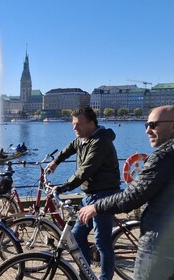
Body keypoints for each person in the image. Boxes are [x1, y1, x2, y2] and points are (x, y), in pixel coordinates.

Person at [78, 105, 174, 280]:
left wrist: (96, 207)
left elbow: (132, 196)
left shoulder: (162, 158)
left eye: (153, 125)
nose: (147, 131)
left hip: (158, 246)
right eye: (146, 125)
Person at [46, 107, 120, 280]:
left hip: (105, 195)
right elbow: (71, 146)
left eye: (78, 124)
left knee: (102, 242)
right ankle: (85, 275)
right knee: (77, 236)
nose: (74, 128)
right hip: (90, 196)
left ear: (91, 123)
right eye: (73, 124)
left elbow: (86, 170)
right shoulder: (83, 139)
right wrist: (56, 161)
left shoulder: (100, 142)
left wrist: (64, 187)